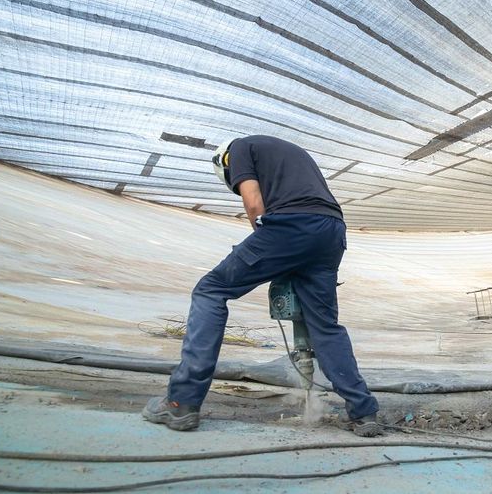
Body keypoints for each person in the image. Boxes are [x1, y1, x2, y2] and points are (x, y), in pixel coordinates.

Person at [143, 135, 380, 436]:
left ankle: (182, 402)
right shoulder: (289, 155)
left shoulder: (237, 149)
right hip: (331, 232)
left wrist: (265, 247)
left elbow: (254, 205)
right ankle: (364, 411)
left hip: (293, 227)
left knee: (211, 290)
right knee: (324, 326)